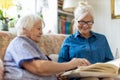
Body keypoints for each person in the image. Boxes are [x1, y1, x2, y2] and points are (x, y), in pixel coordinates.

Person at [3, 14, 91, 80]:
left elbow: (44, 68)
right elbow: (39, 68)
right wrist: (70, 64)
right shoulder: (20, 42)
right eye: (38, 29)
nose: (41, 33)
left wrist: (56, 74)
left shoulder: (31, 45)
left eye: (41, 29)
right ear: (24, 29)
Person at [58, 2, 114, 80]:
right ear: (75, 21)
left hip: (101, 75)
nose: (85, 25)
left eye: (89, 22)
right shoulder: (69, 40)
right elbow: (60, 65)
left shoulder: (102, 38)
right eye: (81, 21)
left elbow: (110, 61)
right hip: (79, 77)